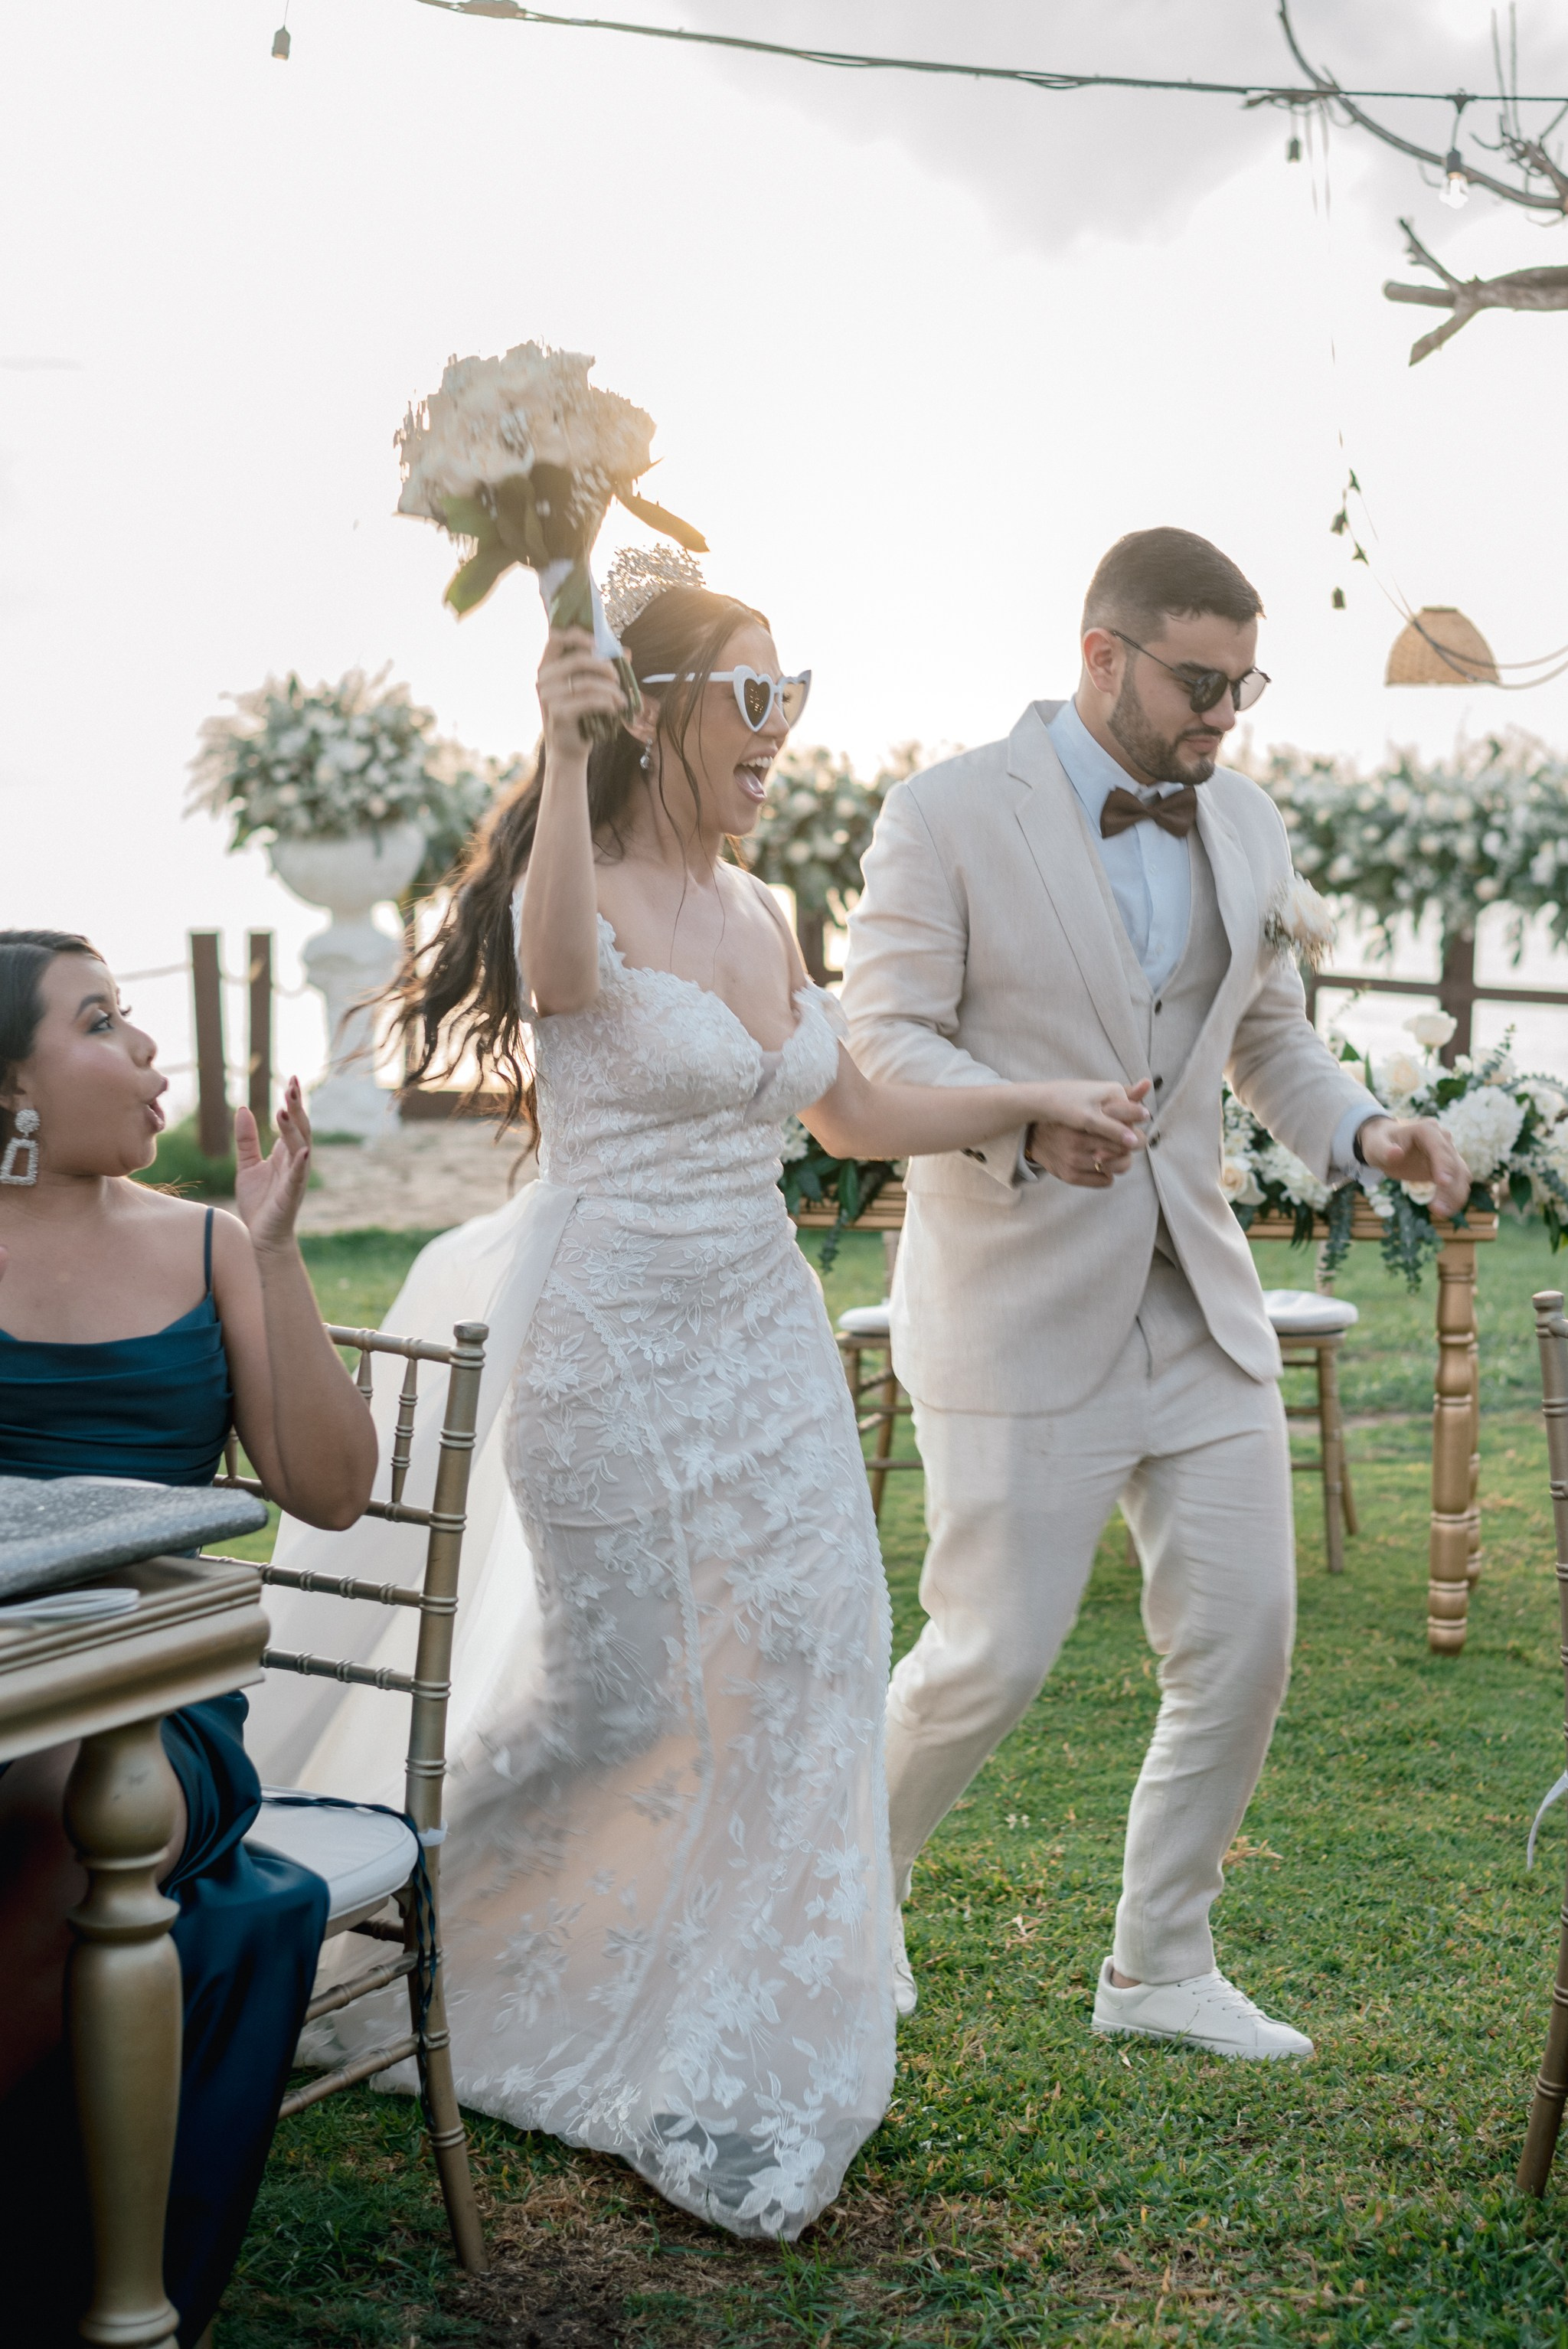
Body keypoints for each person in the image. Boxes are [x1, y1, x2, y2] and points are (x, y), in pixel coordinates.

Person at [247, 549, 1152, 2238]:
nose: (779, 729)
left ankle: (747, 2030)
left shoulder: (759, 910)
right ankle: (402, 1922)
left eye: (790, 694)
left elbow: (852, 1110)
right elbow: (562, 980)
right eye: (752, 693)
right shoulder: (580, 892)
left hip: (765, 1349)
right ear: (654, 708)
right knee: (617, 1706)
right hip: (610, 1353)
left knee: (812, 1663)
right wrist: (550, 736)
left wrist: (1037, 1101)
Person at [840, 528, 1472, 2059]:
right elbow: (886, 1043)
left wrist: (1361, 1132)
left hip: (1197, 1295)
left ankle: (1159, 1966)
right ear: (1099, 654)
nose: (1223, 717)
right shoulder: (941, 816)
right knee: (988, 1655)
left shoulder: (1244, 821)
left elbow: (1267, 1039)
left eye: (1242, 683)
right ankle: (841, 1900)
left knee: (1245, 1636)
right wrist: (1024, 1105)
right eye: (1201, 682)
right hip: (1012, 1289)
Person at [0, 927, 377, 2345]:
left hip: (148, 1714)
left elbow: (332, 1492)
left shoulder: (210, 1241)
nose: (150, 1050)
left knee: (57, 1805)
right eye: (101, 1022)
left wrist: (274, 1256)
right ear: (9, 1090)